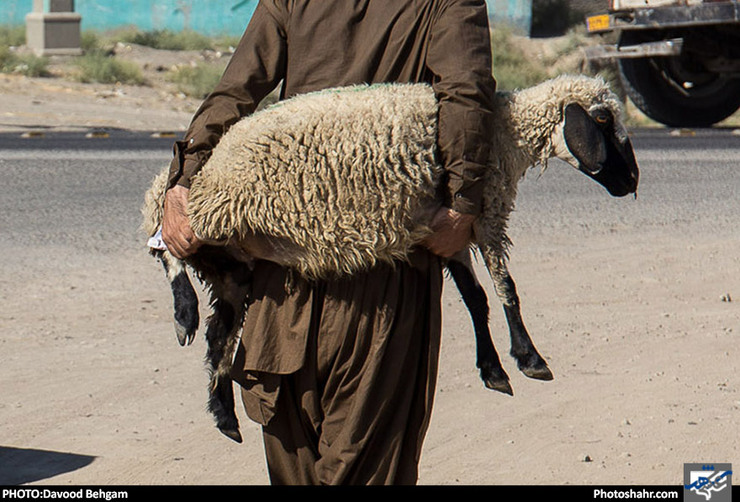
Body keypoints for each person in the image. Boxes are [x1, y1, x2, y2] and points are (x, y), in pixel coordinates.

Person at [161, 0, 497, 485]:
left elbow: (234, 93)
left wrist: (183, 181)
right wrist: (463, 205)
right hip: (381, 273)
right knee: (366, 469)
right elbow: (466, 95)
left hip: (283, 277)